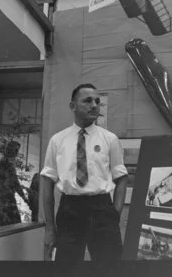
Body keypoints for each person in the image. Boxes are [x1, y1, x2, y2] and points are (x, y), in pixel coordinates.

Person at [40, 83, 129, 262]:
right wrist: (50, 227)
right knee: (67, 270)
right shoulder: (58, 140)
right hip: (69, 210)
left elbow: (122, 178)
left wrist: (114, 216)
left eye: (97, 101)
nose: (95, 105)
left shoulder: (110, 139)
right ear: (72, 106)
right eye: (88, 101)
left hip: (102, 208)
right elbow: (47, 182)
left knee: (109, 270)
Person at [0, 140, 30, 226]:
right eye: (16, 150)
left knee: (4, 224)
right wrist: (24, 197)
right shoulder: (8, 163)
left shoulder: (1, 163)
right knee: (14, 225)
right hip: (6, 200)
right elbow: (15, 182)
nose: (16, 153)